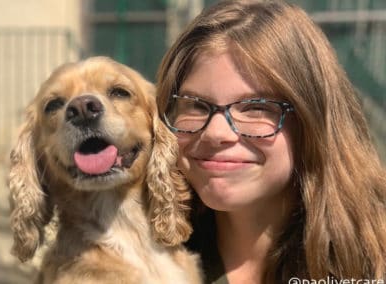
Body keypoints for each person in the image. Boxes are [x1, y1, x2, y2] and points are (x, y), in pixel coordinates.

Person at [156, 0, 386, 283]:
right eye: (196, 105)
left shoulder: (374, 259)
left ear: (311, 119)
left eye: (256, 107)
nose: (215, 132)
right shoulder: (136, 258)